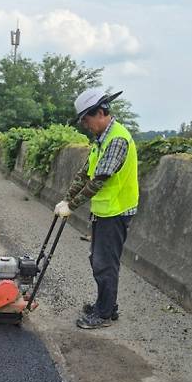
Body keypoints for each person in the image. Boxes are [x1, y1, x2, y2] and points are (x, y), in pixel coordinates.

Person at [54, 88, 139, 330]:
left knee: (105, 263)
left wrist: (72, 206)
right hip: (104, 211)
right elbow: (85, 173)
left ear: (100, 113)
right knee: (99, 260)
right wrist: (66, 198)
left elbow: (99, 179)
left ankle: (104, 313)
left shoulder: (117, 140)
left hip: (117, 212)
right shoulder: (100, 141)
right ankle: (106, 305)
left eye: (86, 120)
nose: (85, 125)